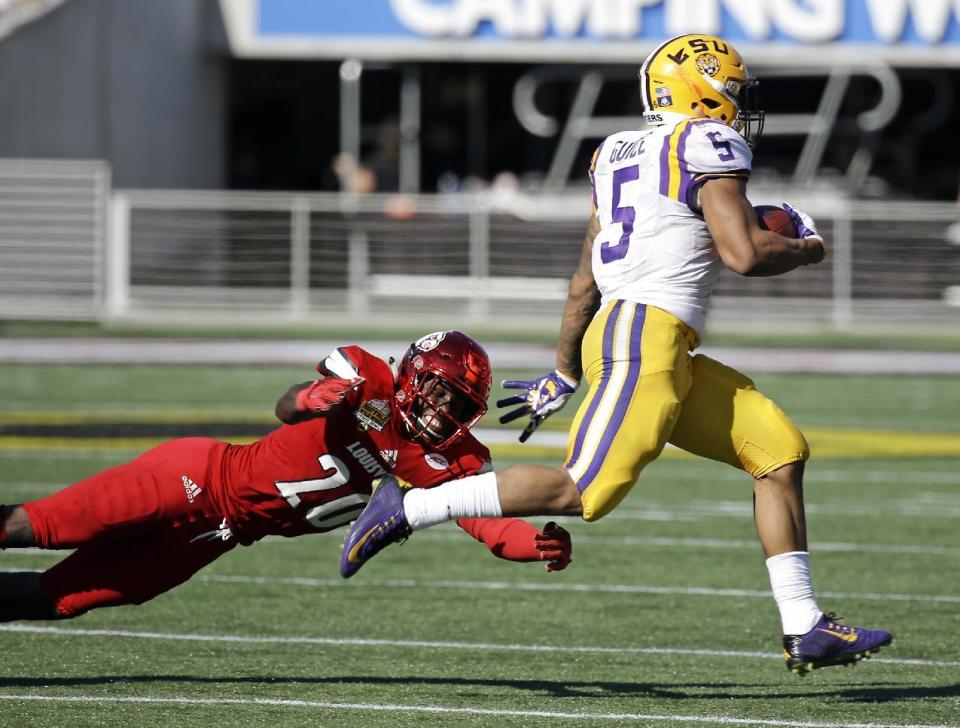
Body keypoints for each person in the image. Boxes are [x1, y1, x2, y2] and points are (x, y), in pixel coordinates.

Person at [339, 34, 892, 675]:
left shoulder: (614, 153)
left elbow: (584, 279)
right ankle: (406, 506)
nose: (739, 107)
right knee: (583, 491)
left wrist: (566, 368)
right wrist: (806, 245)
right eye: (733, 92)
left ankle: (805, 626)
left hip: (643, 338)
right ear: (702, 90)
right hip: (645, 337)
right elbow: (744, 254)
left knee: (778, 450)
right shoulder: (707, 143)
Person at [0, 331, 572, 621]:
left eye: (460, 404)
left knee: (60, 600)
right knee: (39, 526)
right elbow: (287, 407)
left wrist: (535, 541)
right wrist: (310, 396)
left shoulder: (447, 458)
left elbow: (483, 523)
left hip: (220, 537)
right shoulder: (369, 380)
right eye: (442, 392)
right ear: (416, 373)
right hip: (196, 479)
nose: (444, 410)